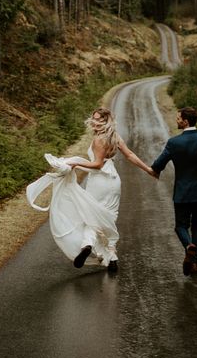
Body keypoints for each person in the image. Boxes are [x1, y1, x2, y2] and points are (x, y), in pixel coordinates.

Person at [27, 107, 156, 272]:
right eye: (93, 119)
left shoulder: (98, 140)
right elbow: (129, 154)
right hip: (114, 182)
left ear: (105, 121)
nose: (94, 122)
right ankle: (112, 257)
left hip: (99, 181)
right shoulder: (114, 137)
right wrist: (149, 169)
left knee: (91, 217)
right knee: (108, 217)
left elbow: (97, 164)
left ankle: (87, 244)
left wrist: (75, 163)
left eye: (98, 120)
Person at [151, 106, 197, 276]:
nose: (177, 120)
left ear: (186, 121)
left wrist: (154, 170)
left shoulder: (174, 142)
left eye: (178, 118)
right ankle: (194, 262)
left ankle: (189, 246)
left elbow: (158, 165)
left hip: (182, 192)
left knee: (181, 226)